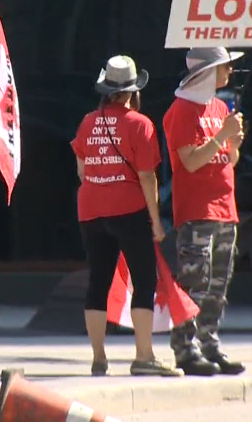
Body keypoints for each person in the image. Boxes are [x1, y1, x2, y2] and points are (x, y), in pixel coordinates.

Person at [70, 55, 183, 377]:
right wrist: (157, 221)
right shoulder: (140, 124)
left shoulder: (88, 121)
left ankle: (98, 357)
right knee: (144, 281)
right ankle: (144, 356)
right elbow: (147, 176)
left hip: (90, 209)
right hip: (130, 210)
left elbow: (82, 168)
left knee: (98, 281)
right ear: (134, 90)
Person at [162, 46, 247, 377]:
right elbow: (190, 161)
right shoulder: (181, 111)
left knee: (218, 285)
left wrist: (233, 144)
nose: (229, 73)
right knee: (194, 282)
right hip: (197, 209)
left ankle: (209, 343)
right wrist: (223, 136)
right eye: (225, 67)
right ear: (207, 72)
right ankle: (185, 348)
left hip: (225, 207)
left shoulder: (218, 106)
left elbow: (228, 160)